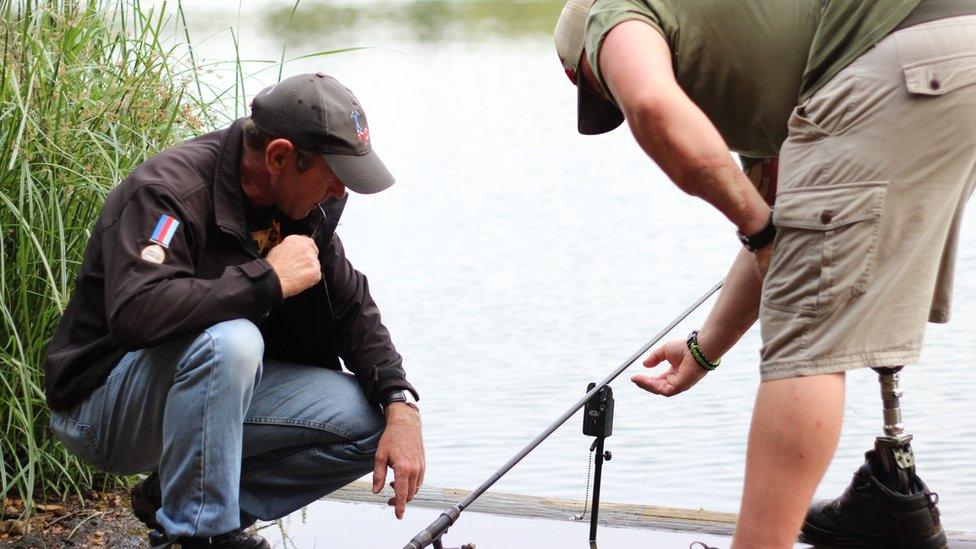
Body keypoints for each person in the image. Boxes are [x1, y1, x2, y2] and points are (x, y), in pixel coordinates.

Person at [554, 1, 976, 547]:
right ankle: (890, 505)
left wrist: (757, 229)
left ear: (586, 58)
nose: (608, 93)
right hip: (949, 51)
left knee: (806, 339)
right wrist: (704, 349)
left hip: (902, 56)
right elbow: (784, 242)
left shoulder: (608, 14)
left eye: (598, 86)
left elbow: (653, 108)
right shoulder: (777, 70)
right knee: (827, 304)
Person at [44, 72, 426, 549]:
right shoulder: (167, 192)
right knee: (234, 341)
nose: (338, 194)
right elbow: (136, 312)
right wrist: (266, 281)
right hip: (102, 406)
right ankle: (199, 535)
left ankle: (178, 502)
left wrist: (400, 403)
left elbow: (353, 309)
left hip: (202, 392)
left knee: (370, 425)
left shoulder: (301, 210)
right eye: (334, 177)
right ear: (280, 156)